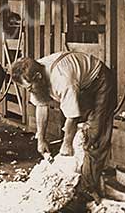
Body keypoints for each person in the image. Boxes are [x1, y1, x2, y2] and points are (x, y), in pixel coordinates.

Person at [10, 51, 114, 201]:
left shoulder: (61, 79)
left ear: (38, 77)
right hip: (81, 82)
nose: (30, 91)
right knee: (81, 132)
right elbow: (41, 106)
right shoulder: (33, 73)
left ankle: (87, 190)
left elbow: (72, 116)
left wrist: (66, 144)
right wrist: (41, 138)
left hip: (100, 81)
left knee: (95, 133)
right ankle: (83, 174)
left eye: (30, 88)